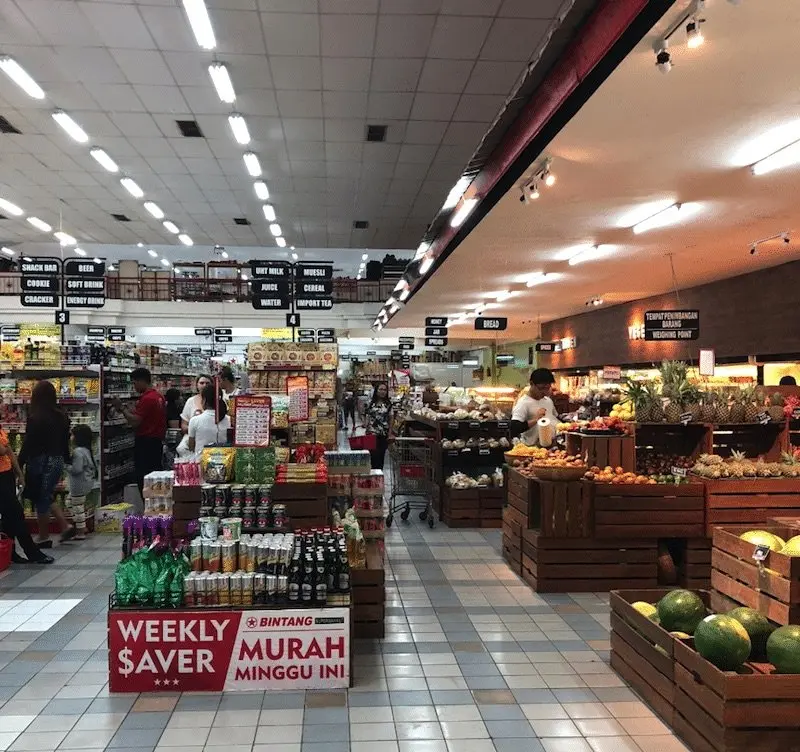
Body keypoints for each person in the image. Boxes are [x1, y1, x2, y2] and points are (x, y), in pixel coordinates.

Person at [19, 380, 74, 548]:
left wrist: (19, 462)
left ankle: (44, 536)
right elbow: (65, 441)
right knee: (46, 494)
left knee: (40, 497)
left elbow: (29, 443)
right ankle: (64, 526)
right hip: (56, 460)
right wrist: (66, 458)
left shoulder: (35, 417)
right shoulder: (62, 416)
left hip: (40, 460)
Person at [0, 425, 52, 564]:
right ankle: (32, 552)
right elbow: (2, 450)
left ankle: (10, 553)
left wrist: (19, 473)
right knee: (16, 513)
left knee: (8, 518)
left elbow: (9, 453)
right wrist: (5, 449)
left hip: (6, 475)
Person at [115, 368, 166, 494]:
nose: (134, 386)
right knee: (155, 476)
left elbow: (135, 421)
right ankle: (156, 505)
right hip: (156, 442)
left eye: (134, 383)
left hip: (145, 444)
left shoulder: (147, 399)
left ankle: (148, 507)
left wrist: (122, 409)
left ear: (142, 381)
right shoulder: (158, 396)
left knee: (144, 478)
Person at [511, 368, 559, 445]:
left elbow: (555, 418)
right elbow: (514, 428)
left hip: (551, 446)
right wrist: (536, 419)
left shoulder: (548, 400)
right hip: (532, 448)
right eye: (542, 388)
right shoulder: (523, 403)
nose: (545, 392)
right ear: (532, 383)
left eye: (547, 388)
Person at [66, 424, 97, 541]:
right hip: (84, 482)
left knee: (78, 507)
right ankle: (81, 525)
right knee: (70, 502)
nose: (71, 437)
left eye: (72, 435)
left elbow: (77, 469)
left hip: (79, 483)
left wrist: (66, 466)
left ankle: (81, 530)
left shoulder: (78, 452)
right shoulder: (86, 450)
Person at [188, 384, 231, 457]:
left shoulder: (195, 420)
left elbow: (191, 446)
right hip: (225, 462)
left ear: (204, 400)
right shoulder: (229, 420)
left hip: (202, 462)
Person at [364, 382, 392, 470]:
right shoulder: (370, 404)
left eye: (385, 390)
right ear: (376, 391)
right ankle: (373, 478)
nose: (383, 391)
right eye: (380, 389)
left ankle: (379, 478)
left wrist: (390, 433)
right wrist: (365, 426)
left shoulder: (389, 405)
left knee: (380, 458)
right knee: (372, 457)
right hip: (371, 434)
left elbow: (391, 419)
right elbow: (367, 416)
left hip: (383, 435)